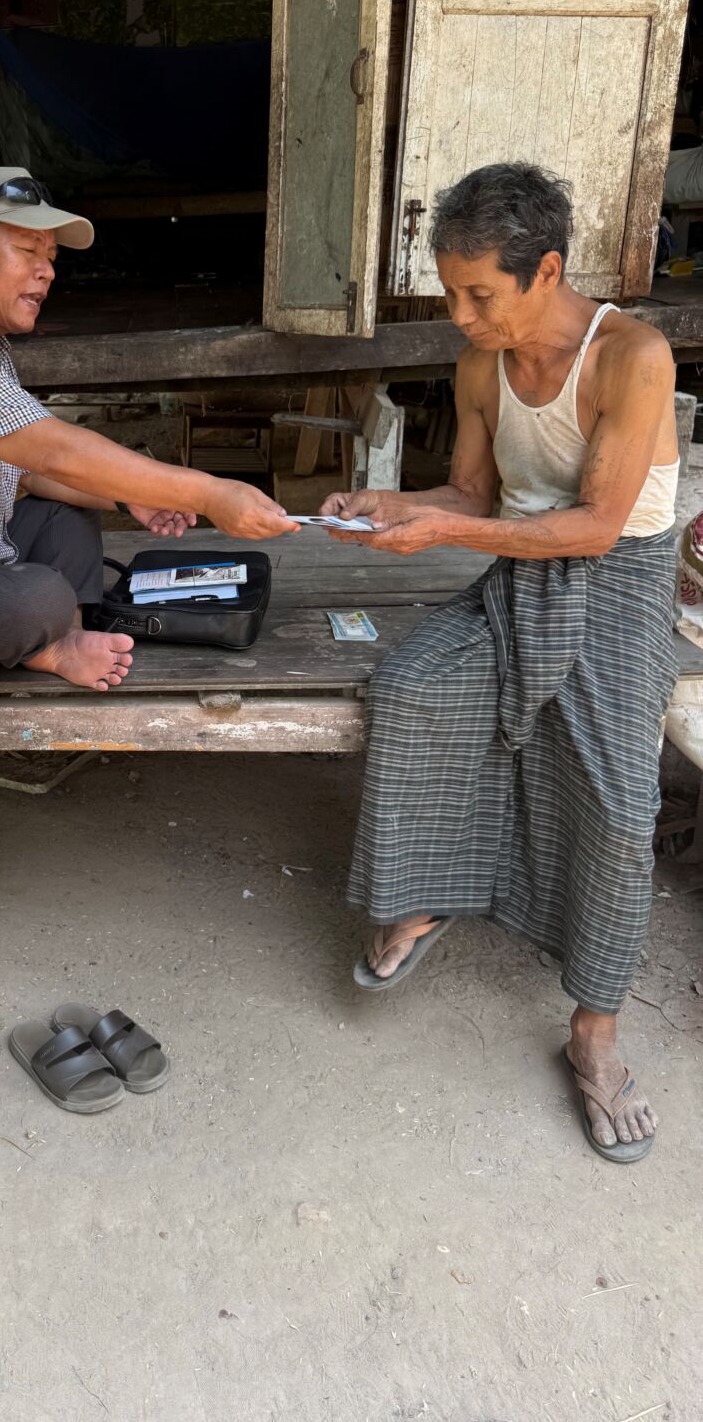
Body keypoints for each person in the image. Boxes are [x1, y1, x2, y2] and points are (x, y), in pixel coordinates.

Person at [321, 163, 681, 1163]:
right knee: (410, 690)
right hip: (520, 570)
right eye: (451, 292)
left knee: (620, 801)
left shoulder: (632, 356)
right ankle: (430, 894)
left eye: (479, 294)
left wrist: (440, 534)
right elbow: (475, 498)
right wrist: (396, 507)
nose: (461, 315)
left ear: (547, 271)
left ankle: (595, 1031)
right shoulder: (480, 364)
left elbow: (596, 528)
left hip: (617, 580)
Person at [0, 167, 297, 691]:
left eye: (50, 256)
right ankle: (48, 637)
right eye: (27, 250)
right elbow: (53, 452)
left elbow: (27, 471)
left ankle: (64, 636)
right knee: (39, 597)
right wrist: (211, 493)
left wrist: (128, 497)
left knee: (67, 514)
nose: (47, 272)